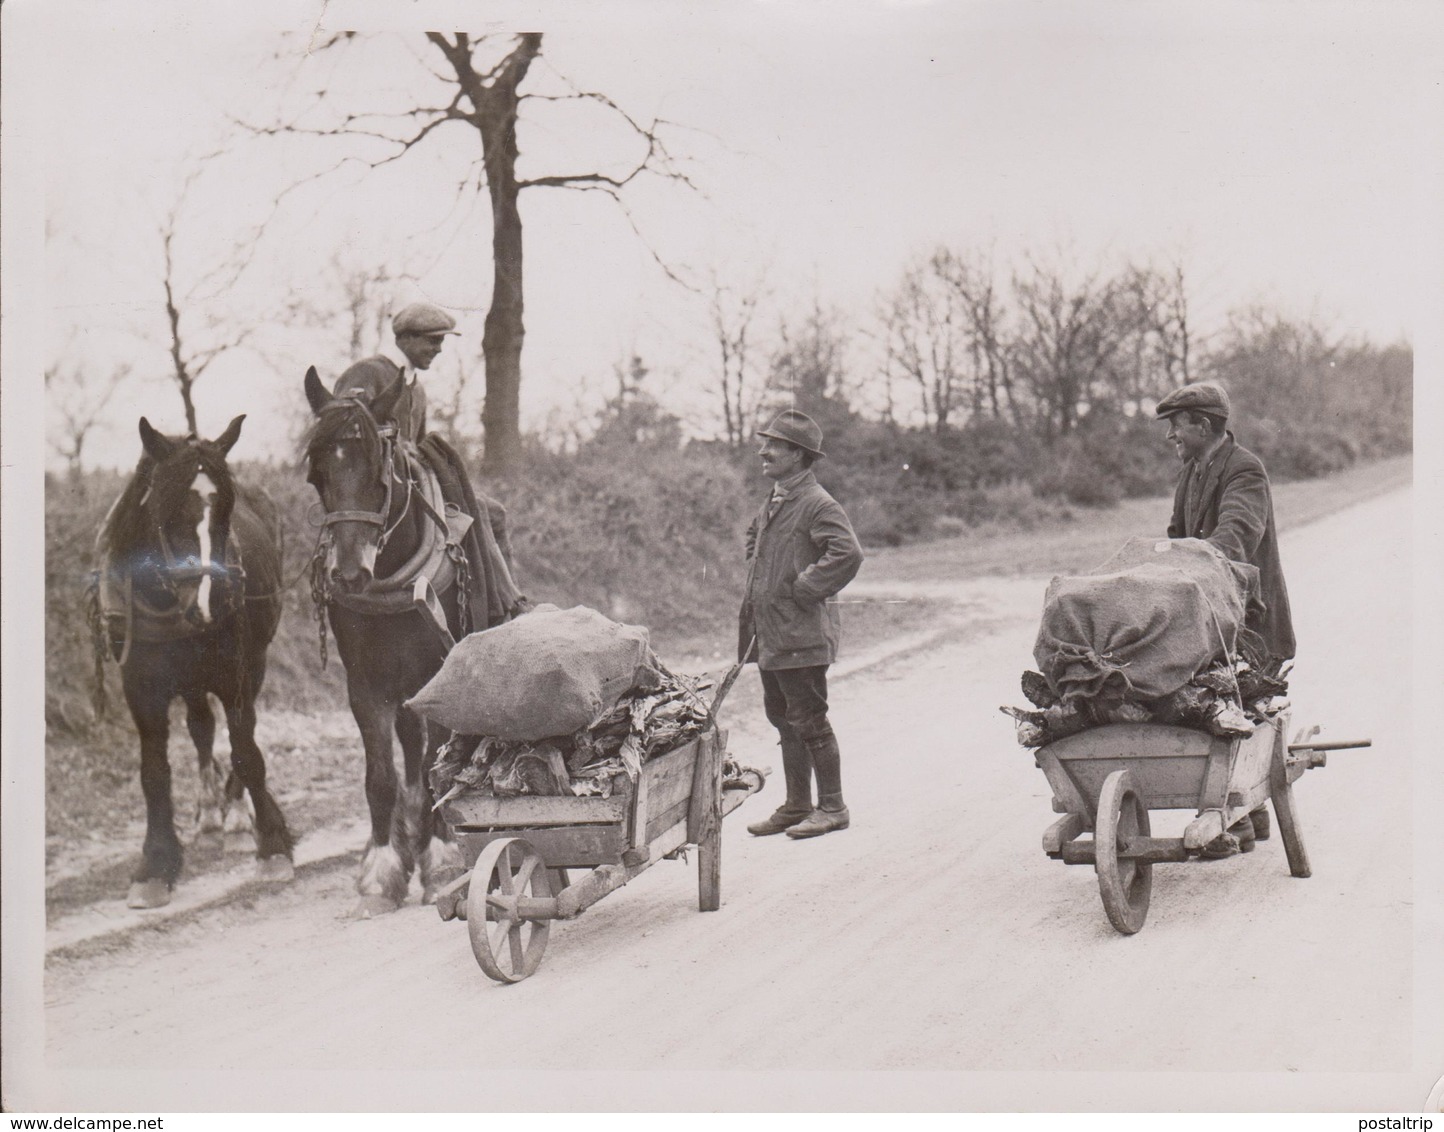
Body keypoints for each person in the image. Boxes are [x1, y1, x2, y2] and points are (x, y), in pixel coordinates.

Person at [1156, 380, 1295, 855]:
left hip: (1250, 624)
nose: (1170, 436)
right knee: (1208, 704)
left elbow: (1234, 538)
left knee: (1232, 706)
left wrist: (1192, 567)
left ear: (1203, 424)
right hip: (1213, 618)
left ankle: (1235, 813)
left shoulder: (1245, 471)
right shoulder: (1191, 473)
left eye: (1176, 425)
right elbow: (1176, 539)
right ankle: (1243, 816)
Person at [333, 301, 526, 630]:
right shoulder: (369, 372)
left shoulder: (415, 387)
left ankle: (502, 601)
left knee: (491, 512)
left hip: (410, 480)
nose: (438, 349)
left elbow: (416, 444)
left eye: (441, 341)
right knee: (477, 507)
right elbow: (345, 434)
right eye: (432, 341)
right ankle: (505, 602)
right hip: (372, 486)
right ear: (406, 339)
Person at [739, 410, 864, 840]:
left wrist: (804, 589)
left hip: (802, 632)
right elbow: (756, 541)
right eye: (765, 443)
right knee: (782, 717)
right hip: (773, 632)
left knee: (809, 718)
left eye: (774, 445)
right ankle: (796, 805)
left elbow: (847, 554)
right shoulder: (777, 498)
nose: (764, 451)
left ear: (798, 454)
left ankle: (833, 807)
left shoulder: (818, 502)